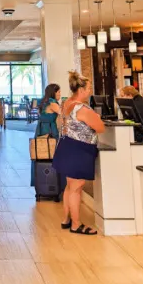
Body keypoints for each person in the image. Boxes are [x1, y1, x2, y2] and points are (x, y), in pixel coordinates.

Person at [53, 70, 105, 235]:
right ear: (81, 90)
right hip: (79, 149)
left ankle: (66, 219)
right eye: (88, 88)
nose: (90, 91)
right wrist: (95, 117)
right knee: (77, 187)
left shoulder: (67, 103)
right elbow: (100, 127)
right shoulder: (82, 109)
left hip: (66, 145)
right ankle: (76, 225)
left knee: (70, 186)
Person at [31, 83, 61, 187]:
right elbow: (64, 114)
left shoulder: (43, 102)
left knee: (42, 154)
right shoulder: (53, 104)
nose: (60, 94)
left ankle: (42, 184)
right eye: (58, 92)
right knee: (52, 154)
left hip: (41, 130)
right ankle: (54, 184)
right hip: (50, 130)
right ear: (54, 93)